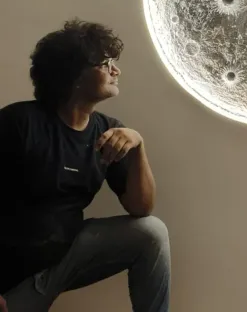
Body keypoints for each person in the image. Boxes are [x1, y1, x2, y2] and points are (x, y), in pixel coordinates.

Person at [0, 19, 170, 312]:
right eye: (105, 64)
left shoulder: (109, 133)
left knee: (151, 231)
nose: (116, 71)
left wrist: (138, 145)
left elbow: (141, 208)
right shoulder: (20, 123)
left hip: (67, 257)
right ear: (75, 75)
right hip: (14, 276)